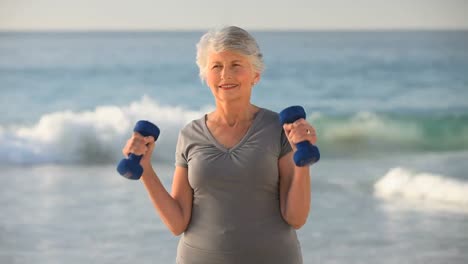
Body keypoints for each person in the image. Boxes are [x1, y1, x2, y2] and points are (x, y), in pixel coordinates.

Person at [122, 26, 317, 264]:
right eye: (217, 66)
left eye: (236, 64)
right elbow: (177, 223)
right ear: (206, 75)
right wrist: (146, 169)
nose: (226, 74)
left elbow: (296, 218)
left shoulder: (279, 129)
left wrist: (301, 159)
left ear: (255, 74)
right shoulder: (190, 134)